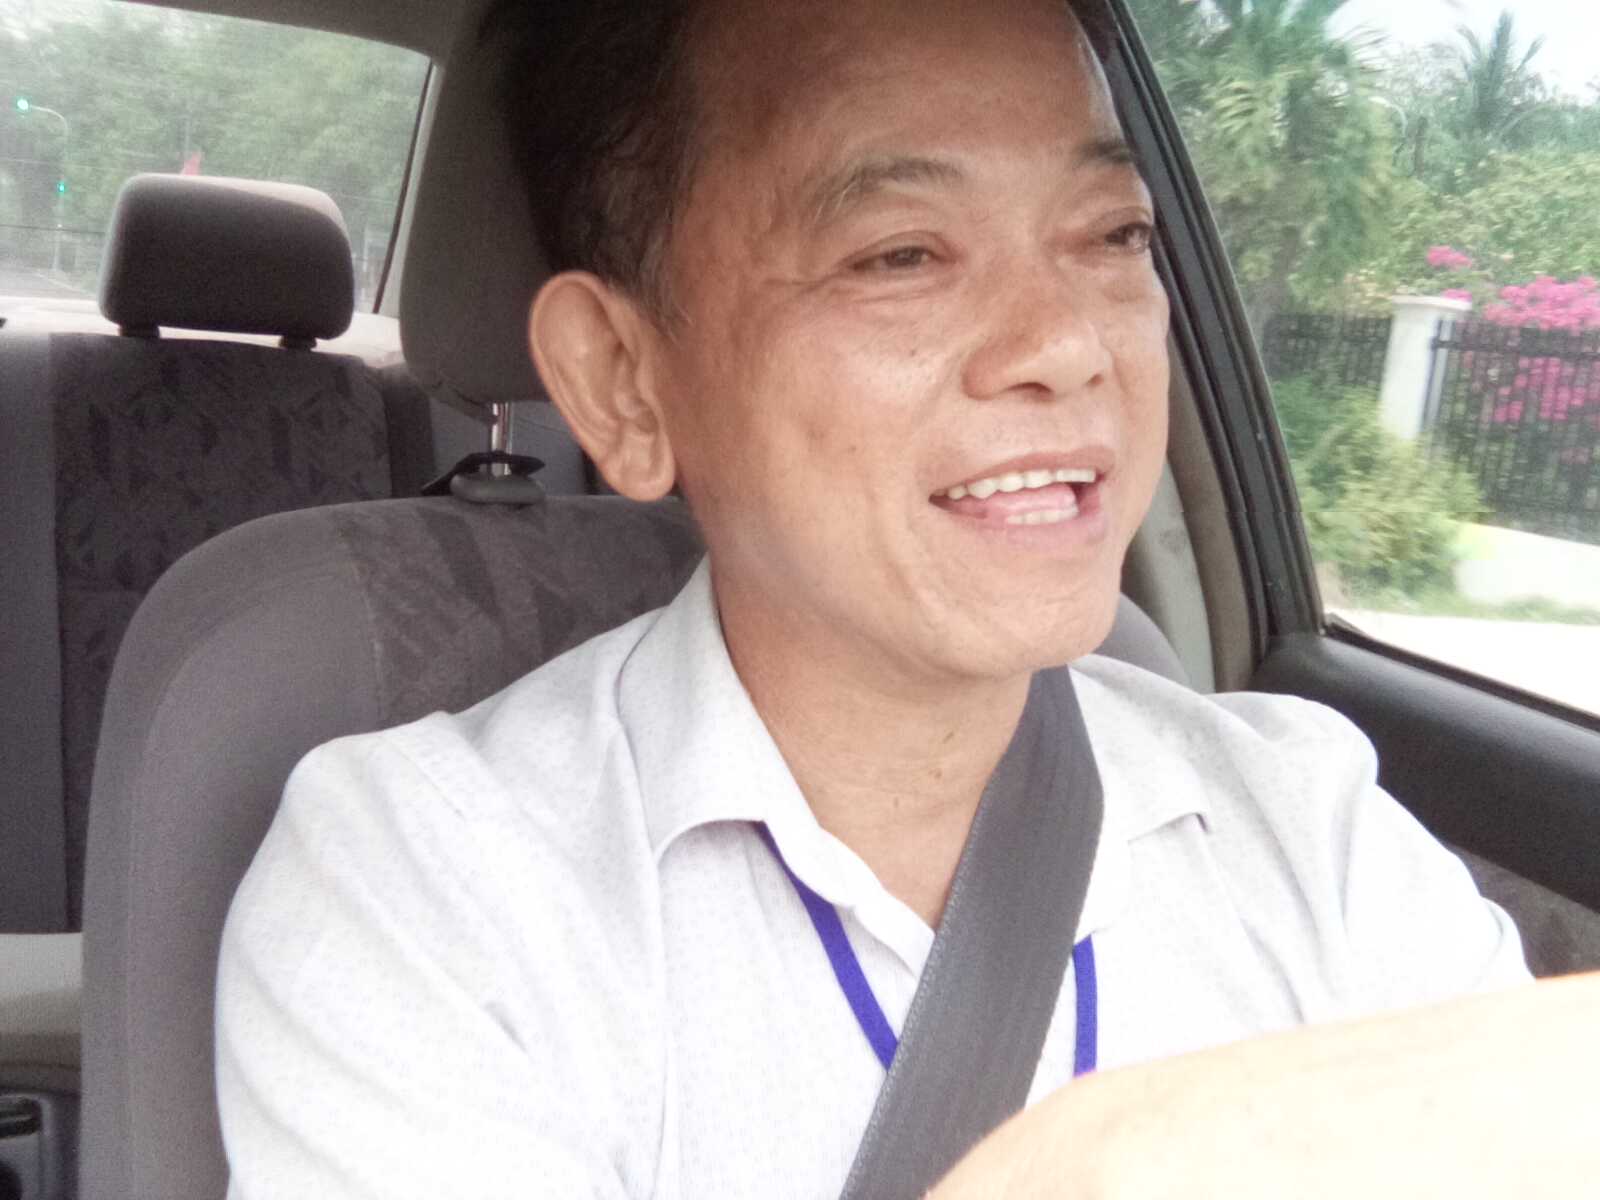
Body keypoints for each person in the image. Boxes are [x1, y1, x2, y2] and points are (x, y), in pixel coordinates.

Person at [214, 0, 1534, 1196]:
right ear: (622, 379)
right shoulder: (426, 890)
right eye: (901, 254)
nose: (1068, 343)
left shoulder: (1310, 825)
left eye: (1115, 234)